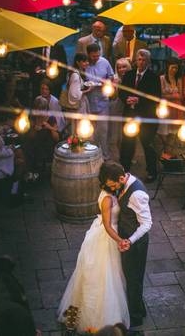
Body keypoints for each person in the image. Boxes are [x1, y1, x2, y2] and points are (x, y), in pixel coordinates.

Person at [57, 162, 131, 332]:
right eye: (110, 181)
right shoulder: (106, 199)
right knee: (101, 279)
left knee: (103, 277)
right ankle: (97, 321)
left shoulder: (112, 192)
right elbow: (107, 225)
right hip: (105, 238)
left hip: (103, 234)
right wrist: (120, 240)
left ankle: (75, 317)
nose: (113, 184)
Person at [99, 162, 152, 329]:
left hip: (135, 243)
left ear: (121, 178)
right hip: (127, 238)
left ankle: (136, 317)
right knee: (133, 277)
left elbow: (147, 223)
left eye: (113, 185)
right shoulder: (123, 182)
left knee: (133, 278)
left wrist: (130, 240)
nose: (112, 188)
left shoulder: (136, 194)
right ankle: (139, 309)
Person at [119, 50, 161, 182]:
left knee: (147, 145)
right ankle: (124, 170)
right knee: (127, 144)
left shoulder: (153, 77)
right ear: (135, 60)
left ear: (147, 62)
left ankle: (151, 172)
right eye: (139, 59)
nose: (140, 62)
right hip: (130, 115)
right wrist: (127, 99)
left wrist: (139, 100)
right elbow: (122, 91)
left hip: (147, 117)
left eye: (143, 60)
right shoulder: (129, 75)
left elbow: (156, 98)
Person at [85, 43, 114, 160]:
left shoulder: (104, 62)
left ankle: (105, 156)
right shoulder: (84, 64)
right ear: (88, 54)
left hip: (103, 101)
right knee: (91, 132)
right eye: (93, 56)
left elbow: (111, 76)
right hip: (89, 101)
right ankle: (92, 156)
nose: (96, 58)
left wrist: (106, 82)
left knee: (103, 130)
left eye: (97, 55)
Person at [23, 96, 60, 173]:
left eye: (43, 109)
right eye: (38, 109)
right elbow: (30, 136)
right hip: (34, 147)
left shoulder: (51, 118)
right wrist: (34, 128)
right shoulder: (32, 118)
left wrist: (49, 127)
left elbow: (56, 138)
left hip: (46, 148)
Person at [157, 58, 183, 158]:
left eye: (176, 68)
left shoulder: (178, 80)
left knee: (173, 132)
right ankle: (165, 151)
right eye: (172, 68)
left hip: (176, 107)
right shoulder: (162, 79)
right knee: (164, 131)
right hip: (165, 108)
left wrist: (174, 96)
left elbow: (180, 95)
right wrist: (174, 95)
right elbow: (161, 94)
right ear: (168, 67)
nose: (174, 70)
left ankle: (168, 153)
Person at [108, 58, 132, 162]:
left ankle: (126, 158)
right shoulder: (114, 79)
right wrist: (115, 87)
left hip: (128, 110)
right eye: (119, 67)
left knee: (127, 136)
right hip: (116, 109)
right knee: (115, 137)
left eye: (124, 67)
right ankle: (116, 158)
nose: (121, 69)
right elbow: (112, 97)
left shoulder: (132, 77)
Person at [63, 54, 92, 132]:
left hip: (79, 106)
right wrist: (87, 90)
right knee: (79, 128)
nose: (87, 63)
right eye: (84, 61)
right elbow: (74, 94)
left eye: (87, 61)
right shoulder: (76, 76)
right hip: (78, 107)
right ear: (78, 62)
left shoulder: (76, 73)